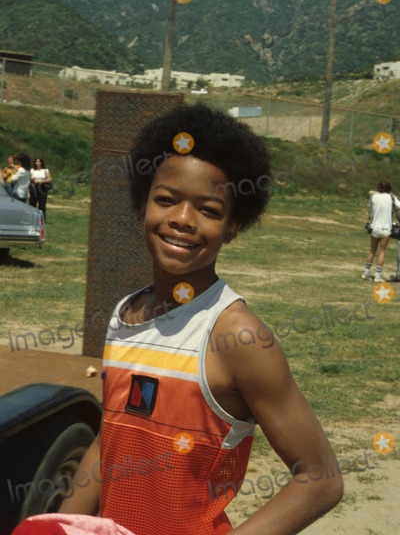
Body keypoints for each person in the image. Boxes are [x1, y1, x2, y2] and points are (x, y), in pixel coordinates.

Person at [59, 104, 343, 534]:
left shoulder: (238, 336)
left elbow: (321, 479)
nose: (182, 220)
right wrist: (60, 524)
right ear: (141, 205)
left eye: (208, 209)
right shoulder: (124, 314)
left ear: (233, 226)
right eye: (166, 200)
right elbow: (109, 441)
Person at [362, 180, 400, 282]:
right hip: (385, 228)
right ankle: (377, 276)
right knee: (382, 252)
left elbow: (370, 209)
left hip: (374, 227)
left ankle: (366, 273)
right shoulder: (391, 197)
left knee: (372, 250)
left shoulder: (374, 197)